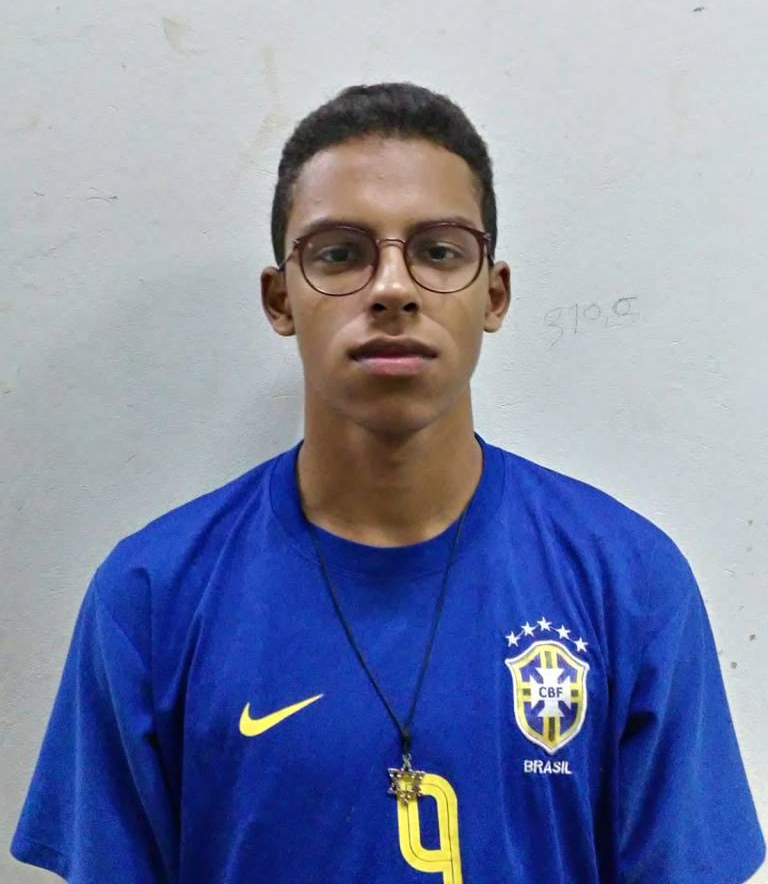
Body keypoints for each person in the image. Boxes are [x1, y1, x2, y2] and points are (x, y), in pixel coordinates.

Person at [10, 82, 765, 884]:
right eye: (340, 253)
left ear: (494, 294)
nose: (393, 288)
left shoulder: (630, 583)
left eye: (439, 251)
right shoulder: (151, 597)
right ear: (280, 299)